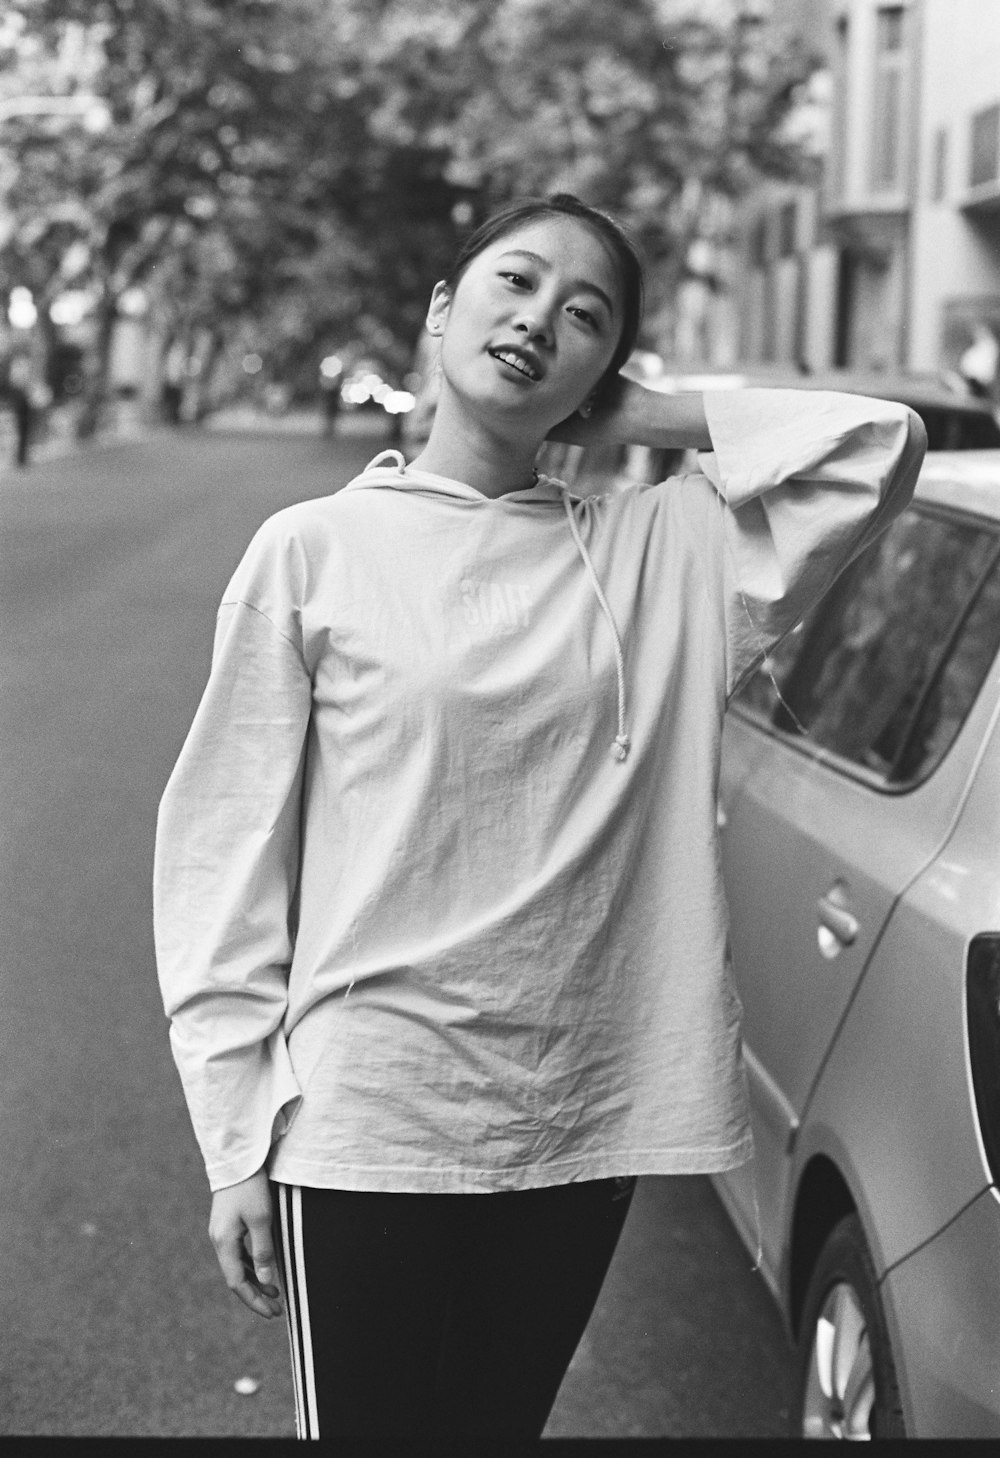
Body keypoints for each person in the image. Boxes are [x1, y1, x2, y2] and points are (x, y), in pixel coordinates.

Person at [153, 193, 926, 1440]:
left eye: (584, 316)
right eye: (512, 284)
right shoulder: (313, 550)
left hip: (580, 1109)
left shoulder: (665, 549)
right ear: (441, 308)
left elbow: (876, 445)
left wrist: (641, 412)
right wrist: (234, 1137)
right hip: (369, 1111)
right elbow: (220, 856)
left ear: (606, 371)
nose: (538, 321)